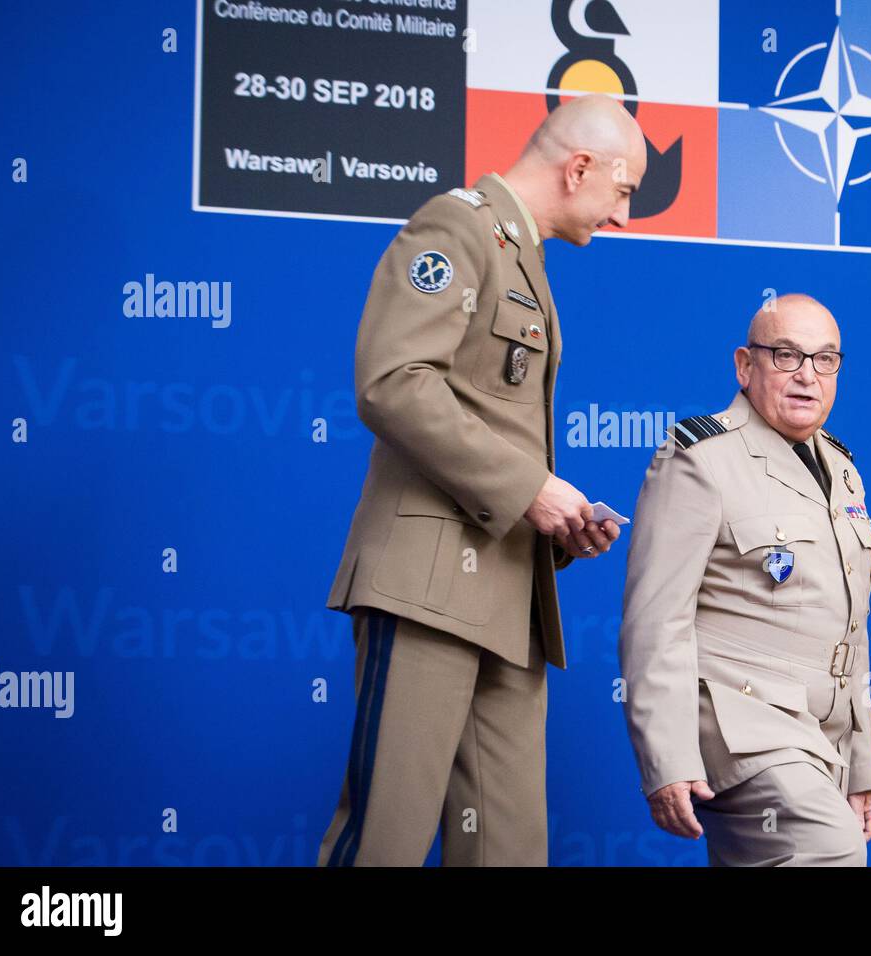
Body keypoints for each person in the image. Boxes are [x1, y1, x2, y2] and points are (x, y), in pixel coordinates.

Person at [319, 93, 648, 866]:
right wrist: (532, 488)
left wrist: (556, 522)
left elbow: (484, 423)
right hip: (428, 589)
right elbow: (393, 380)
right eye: (624, 191)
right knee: (386, 843)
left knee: (506, 851)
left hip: (507, 602)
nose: (624, 216)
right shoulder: (458, 226)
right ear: (578, 168)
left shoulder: (520, 256)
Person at [618, 293, 871, 866]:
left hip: (822, 740)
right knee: (829, 851)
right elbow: (655, 623)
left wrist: (862, 761)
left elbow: (852, 628)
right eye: (786, 356)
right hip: (739, 727)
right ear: (745, 366)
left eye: (825, 360)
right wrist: (667, 759)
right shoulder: (700, 458)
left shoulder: (843, 471)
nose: (807, 376)